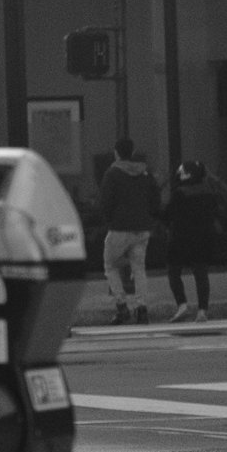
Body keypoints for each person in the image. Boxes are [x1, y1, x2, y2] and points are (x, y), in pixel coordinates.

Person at [97, 134, 160, 325]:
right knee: (139, 268)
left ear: (116, 153)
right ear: (132, 152)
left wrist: (108, 220)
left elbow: (106, 202)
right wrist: (150, 218)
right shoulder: (144, 172)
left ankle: (122, 306)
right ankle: (142, 309)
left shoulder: (112, 173)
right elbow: (155, 200)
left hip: (119, 227)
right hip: (142, 228)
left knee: (110, 266)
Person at [163, 156, 222, 323]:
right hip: (203, 237)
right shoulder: (208, 193)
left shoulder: (179, 193)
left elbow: (168, 215)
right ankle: (202, 310)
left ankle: (182, 305)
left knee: (173, 271)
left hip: (180, 237)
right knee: (201, 273)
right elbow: (216, 212)